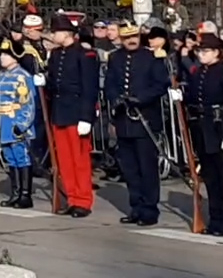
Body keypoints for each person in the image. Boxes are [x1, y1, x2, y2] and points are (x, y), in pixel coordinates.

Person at [184, 34, 223, 238]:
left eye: (206, 51)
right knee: (211, 178)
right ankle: (215, 219)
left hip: (221, 129)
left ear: (217, 53)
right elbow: (193, 99)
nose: (201, 54)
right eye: (199, 51)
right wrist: (181, 96)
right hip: (203, 129)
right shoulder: (197, 73)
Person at [103, 23, 166, 226]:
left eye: (135, 36)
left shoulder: (152, 57)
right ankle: (136, 207)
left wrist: (140, 98)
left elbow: (161, 84)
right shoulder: (115, 57)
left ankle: (149, 210)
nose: (131, 40)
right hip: (124, 119)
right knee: (129, 168)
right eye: (127, 37)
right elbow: (110, 83)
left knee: (147, 168)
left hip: (144, 118)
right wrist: (116, 99)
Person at [42, 15, 99, 218]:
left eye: (55, 32)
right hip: (60, 112)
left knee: (79, 160)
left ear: (66, 33)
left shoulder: (85, 55)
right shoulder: (56, 55)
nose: (52, 35)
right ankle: (71, 197)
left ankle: (83, 200)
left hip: (76, 112)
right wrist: (44, 82)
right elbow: (54, 84)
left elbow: (89, 88)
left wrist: (86, 117)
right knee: (64, 160)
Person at [0, 39, 38, 208]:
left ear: (15, 57)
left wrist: (22, 125)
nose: (1, 57)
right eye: (2, 54)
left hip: (16, 122)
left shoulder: (23, 77)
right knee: (10, 158)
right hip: (2, 124)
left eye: (6, 54)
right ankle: (15, 193)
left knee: (21, 157)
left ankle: (25, 195)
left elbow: (28, 104)